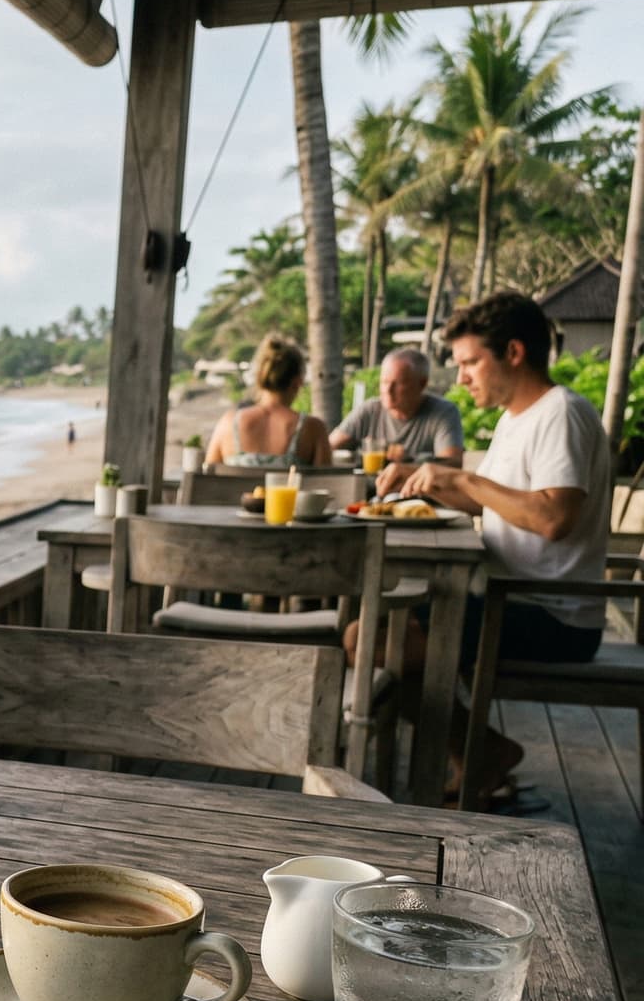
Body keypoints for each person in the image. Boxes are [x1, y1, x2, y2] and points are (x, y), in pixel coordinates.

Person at [348, 291, 610, 805]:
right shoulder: (516, 418)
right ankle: (481, 752)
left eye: (470, 362)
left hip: (553, 615)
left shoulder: (561, 414)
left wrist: (464, 477)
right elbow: (487, 502)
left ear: (513, 352)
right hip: (506, 599)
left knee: (374, 640)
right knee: (368, 632)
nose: (462, 377)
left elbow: (553, 517)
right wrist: (423, 482)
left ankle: (472, 757)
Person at [203, 335, 332, 468]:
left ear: (259, 376)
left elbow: (208, 476)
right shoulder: (313, 428)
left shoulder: (228, 423)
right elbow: (325, 480)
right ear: (297, 382)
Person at [329, 346, 465, 464]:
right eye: (384, 382)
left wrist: (409, 460)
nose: (387, 390)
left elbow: (452, 463)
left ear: (422, 384)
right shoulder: (369, 410)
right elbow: (329, 446)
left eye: (398, 383)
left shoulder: (443, 412)